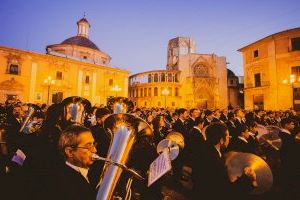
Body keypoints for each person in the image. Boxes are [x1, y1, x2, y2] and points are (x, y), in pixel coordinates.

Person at [192, 123, 257, 200]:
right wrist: (248, 179)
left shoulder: (204, 148)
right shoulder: (214, 160)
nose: (229, 138)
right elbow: (227, 191)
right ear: (221, 140)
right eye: (227, 136)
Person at [49, 125, 99, 200]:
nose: (95, 150)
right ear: (70, 152)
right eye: (88, 146)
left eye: (93, 144)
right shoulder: (62, 184)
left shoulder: (93, 172)